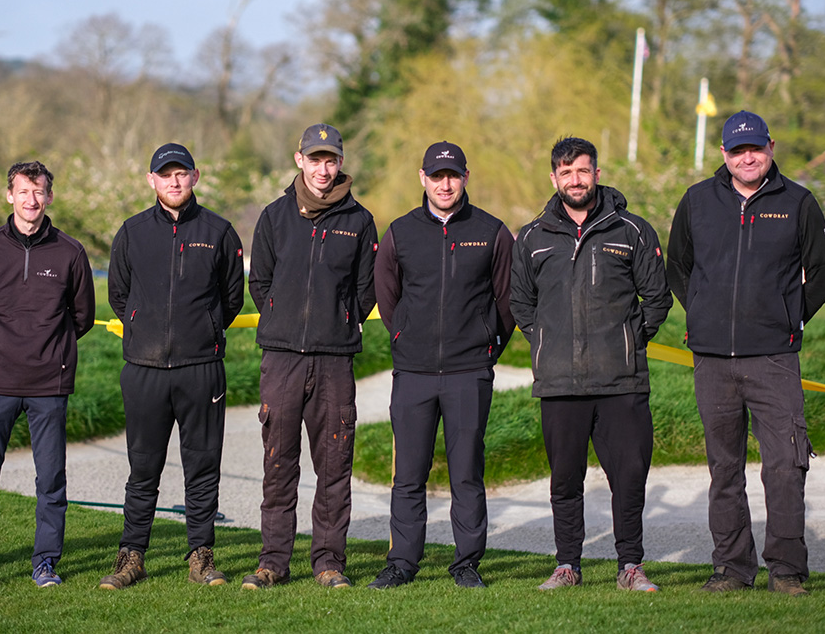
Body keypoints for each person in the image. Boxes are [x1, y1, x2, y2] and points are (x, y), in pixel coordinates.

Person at [667, 111, 825, 597]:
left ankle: (786, 570)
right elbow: (678, 264)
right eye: (738, 150)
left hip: (774, 360)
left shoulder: (799, 202)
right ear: (723, 154)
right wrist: (699, 310)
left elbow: (821, 276)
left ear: (770, 147)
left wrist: (787, 319)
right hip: (713, 360)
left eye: (755, 148)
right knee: (724, 469)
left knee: (785, 465)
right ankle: (731, 569)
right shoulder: (698, 200)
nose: (748, 157)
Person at [510, 137, 672, 592]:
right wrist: (545, 342)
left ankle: (631, 565)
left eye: (583, 170)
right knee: (565, 480)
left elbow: (657, 298)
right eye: (566, 172)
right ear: (553, 178)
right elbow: (521, 303)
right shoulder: (532, 237)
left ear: (597, 173)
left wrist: (630, 340)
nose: (575, 180)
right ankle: (567, 565)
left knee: (629, 476)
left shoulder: (632, 230)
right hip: (560, 383)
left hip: (621, 381)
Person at [367, 141, 515, 590]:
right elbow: (386, 293)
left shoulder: (491, 231)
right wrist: (402, 336)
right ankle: (402, 563)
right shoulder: (400, 231)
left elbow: (507, 300)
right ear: (423, 178)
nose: (444, 183)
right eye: (436, 175)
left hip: (469, 372)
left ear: (465, 177)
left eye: (452, 175)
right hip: (413, 373)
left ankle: (466, 562)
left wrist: (487, 346)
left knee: (466, 472)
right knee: (408, 474)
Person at [99, 143, 245, 589]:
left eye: (182, 174)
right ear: (152, 181)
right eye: (166, 175)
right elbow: (119, 296)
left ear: (196, 177)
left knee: (202, 465)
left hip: (201, 368)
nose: (175, 182)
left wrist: (206, 328)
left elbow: (232, 297)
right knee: (143, 466)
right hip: (143, 368)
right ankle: (132, 556)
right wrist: (143, 329)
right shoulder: (132, 231)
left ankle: (201, 555)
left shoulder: (219, 232)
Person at [242, 123, 378, 589]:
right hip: (281, 359)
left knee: (335, 466)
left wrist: (337, 321)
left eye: (331, 160)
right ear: (299, 159)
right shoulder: (274, 216)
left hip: (335, 360)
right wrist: (282, 320)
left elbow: (365, 291)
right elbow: (259, 282)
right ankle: (273, 562)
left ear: (341, 163)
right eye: (315, 159)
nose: (323, 169)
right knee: (278, 463)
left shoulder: (360, 221)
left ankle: (328, 562)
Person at [0, 161, 96, 595]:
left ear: (49, 197)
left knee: (51, 480)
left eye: (38, 192)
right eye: (23, 191)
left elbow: (83, 316)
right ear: (9, 195)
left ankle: (46, 562)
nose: (31, 200)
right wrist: (6, 342)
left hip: (48, 386)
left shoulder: (70, 252)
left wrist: (45, 345)